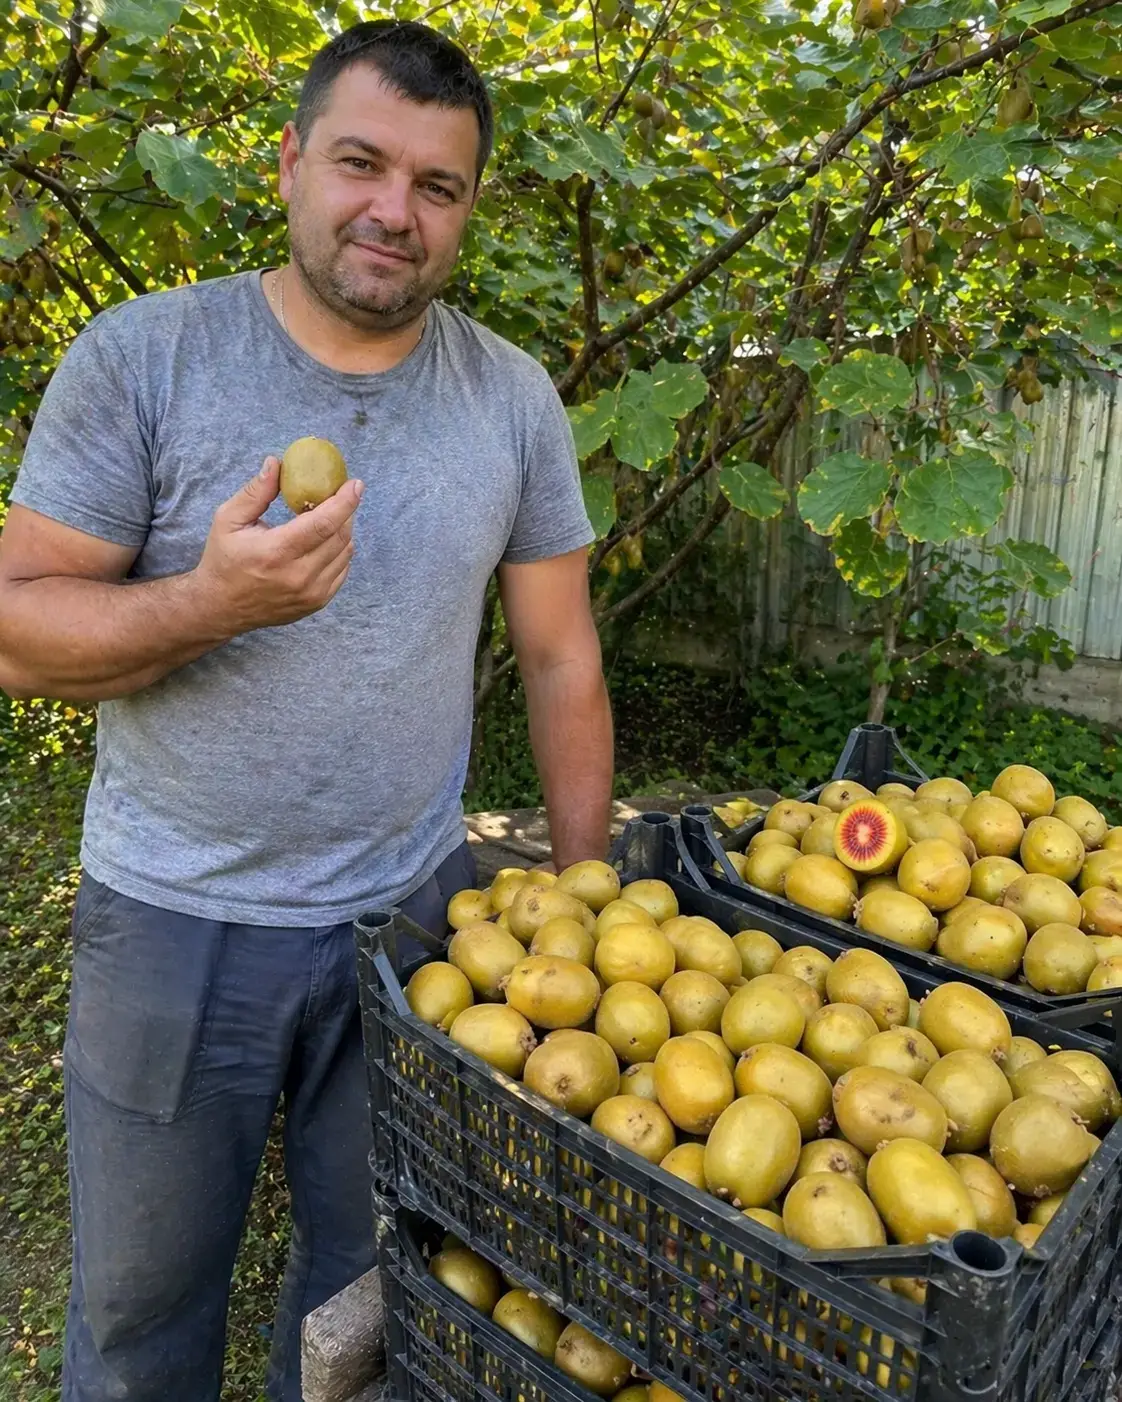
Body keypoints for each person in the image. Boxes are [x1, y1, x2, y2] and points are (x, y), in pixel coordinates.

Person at [0, 19, 613, 1402]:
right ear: (288, 163)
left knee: (373, 1293)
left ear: (468, 207)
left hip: (414, 928)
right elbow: (17, 633)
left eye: (437, 185)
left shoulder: (512, 399)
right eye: (360, 163)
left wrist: (585, 907)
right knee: (140, 1315)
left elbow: (562, 658)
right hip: (175, 920)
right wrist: (210, 601)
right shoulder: (149, 357)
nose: (395, 209)